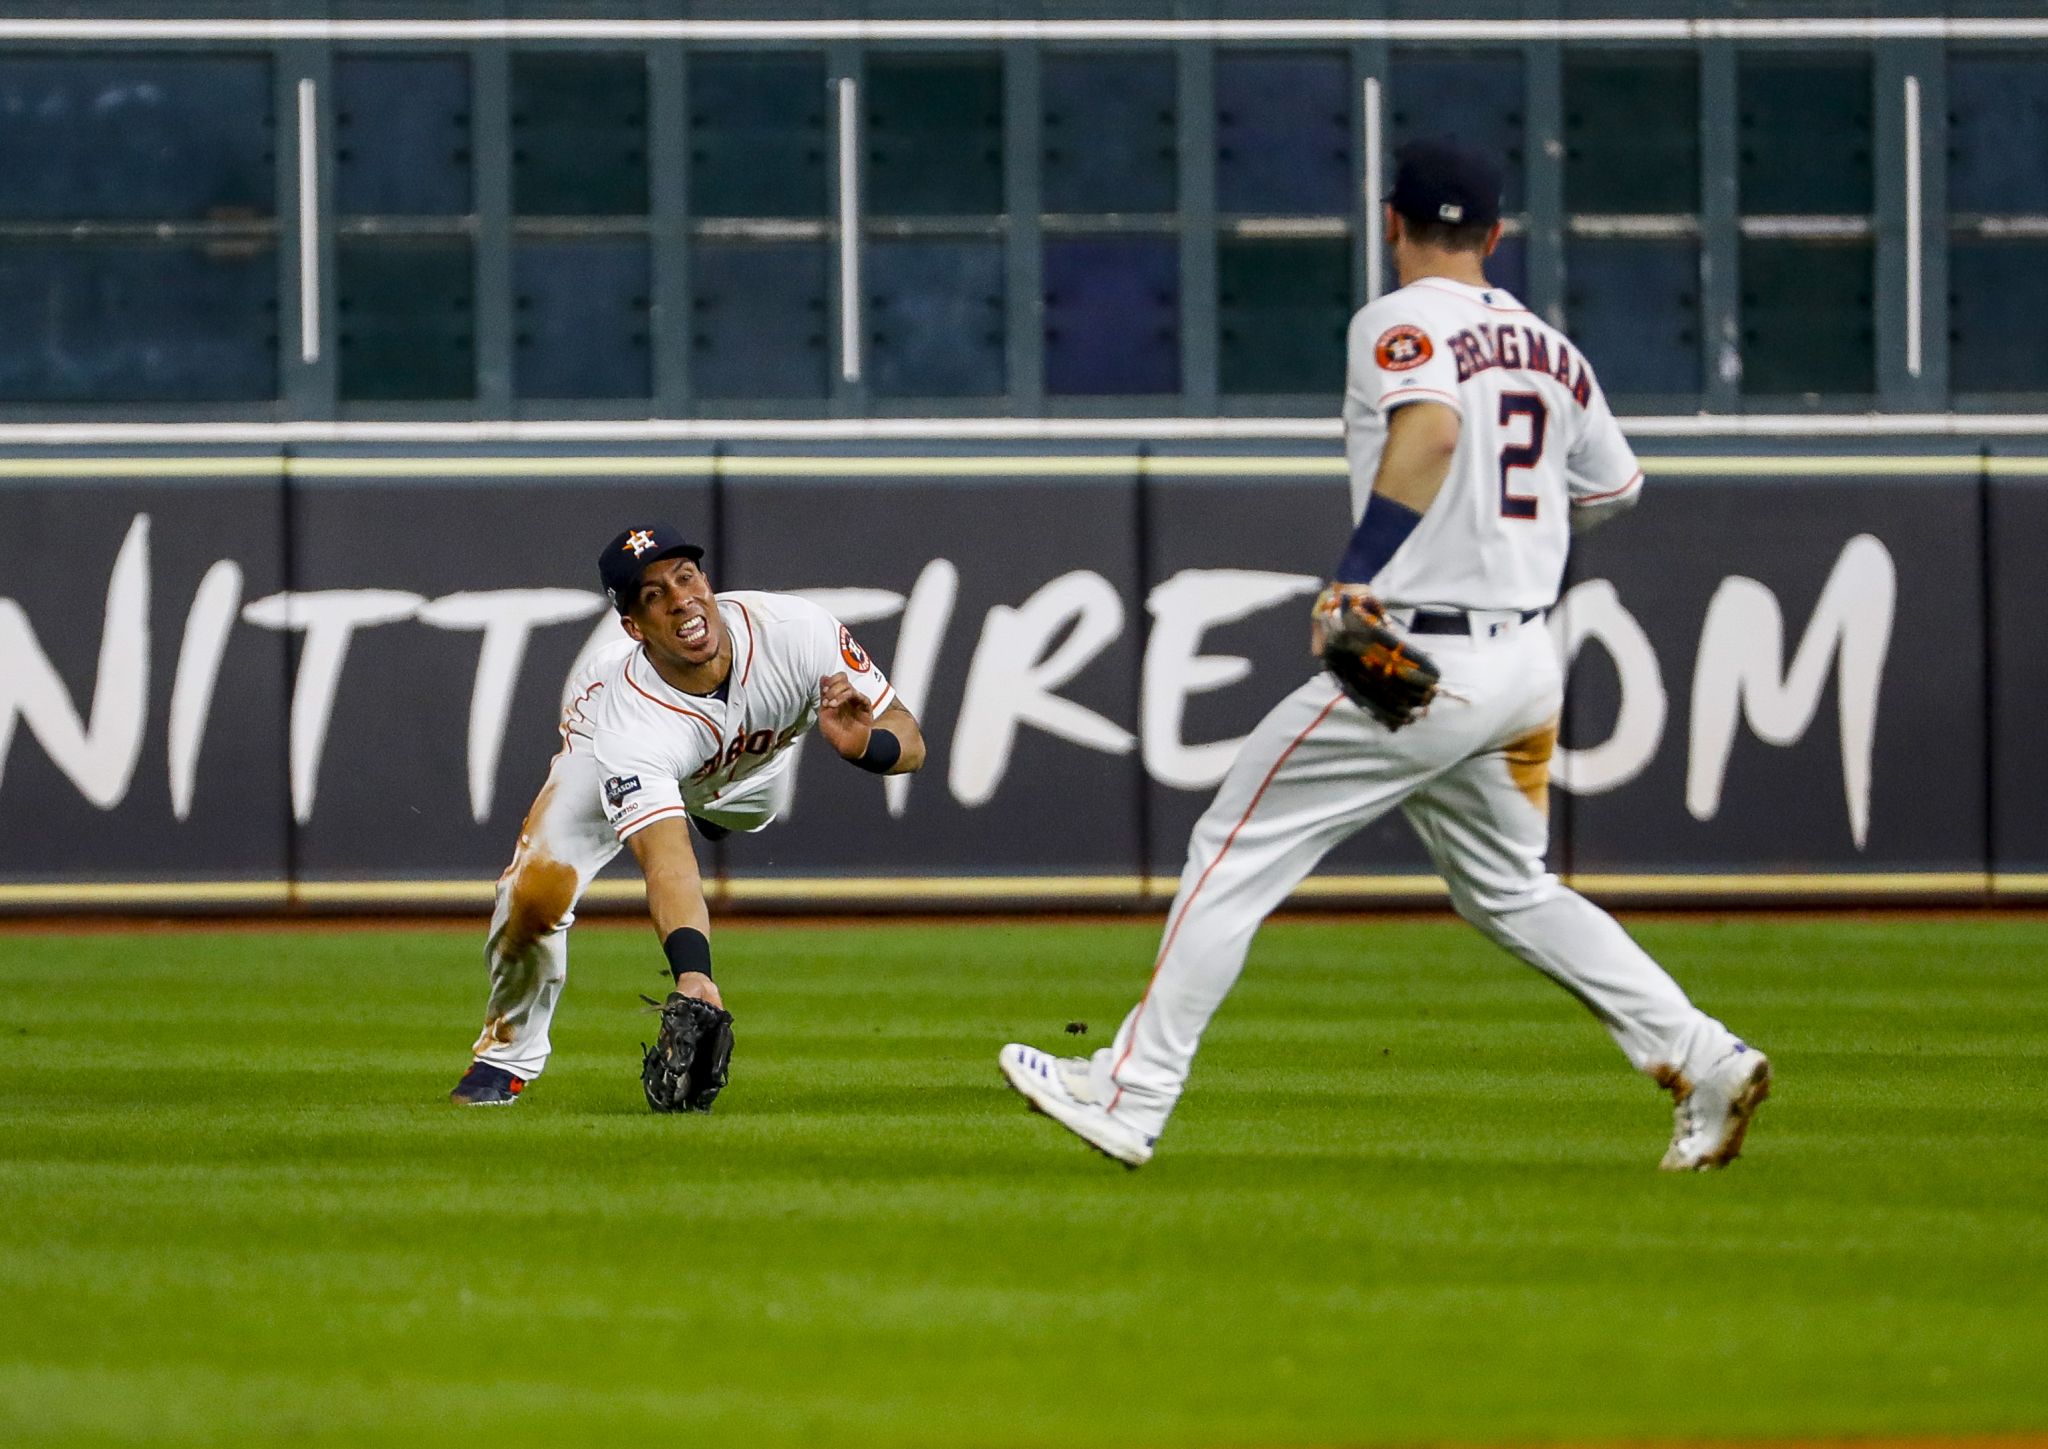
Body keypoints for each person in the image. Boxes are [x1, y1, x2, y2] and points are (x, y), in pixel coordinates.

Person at [998, 138, 1769, 1171]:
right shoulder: (1553, 348)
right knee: (1507, 887)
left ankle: (1132, 1093)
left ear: (1390, 222)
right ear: (1494, 236)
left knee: (1231, 853)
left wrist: (1355, 572)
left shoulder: (1398, 319)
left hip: (1418, 661)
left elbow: (1434, 430)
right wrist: (1507, 547)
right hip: (1523, 661)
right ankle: (1699, 1055)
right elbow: (1612, 492)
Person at [450, 524, 926, 1105]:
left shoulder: (797, 632)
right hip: (609, 754)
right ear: (634, 627)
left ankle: (713, 810)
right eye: (653, 596)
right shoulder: (627, 721)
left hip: (748, 782)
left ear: (707, 581)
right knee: (533, 897)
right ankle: (506, 1058)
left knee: (750, 811)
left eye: (686, 577)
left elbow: (910, 738)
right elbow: (667, 862)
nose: (680, 600)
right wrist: (692, 974)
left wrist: (865, 749)